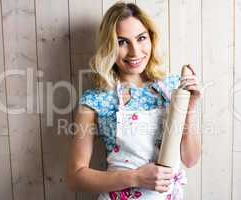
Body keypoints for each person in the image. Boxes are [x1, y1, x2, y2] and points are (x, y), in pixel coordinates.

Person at [66, 2, 201, 200]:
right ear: (109, 47)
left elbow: (190, 159)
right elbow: (75, 176)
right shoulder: (96, 100)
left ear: (151, 38)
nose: (135, 52)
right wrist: (135, 178)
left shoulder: (173, 88)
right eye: (122, 42)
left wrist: (189, 109)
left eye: (141, 38)